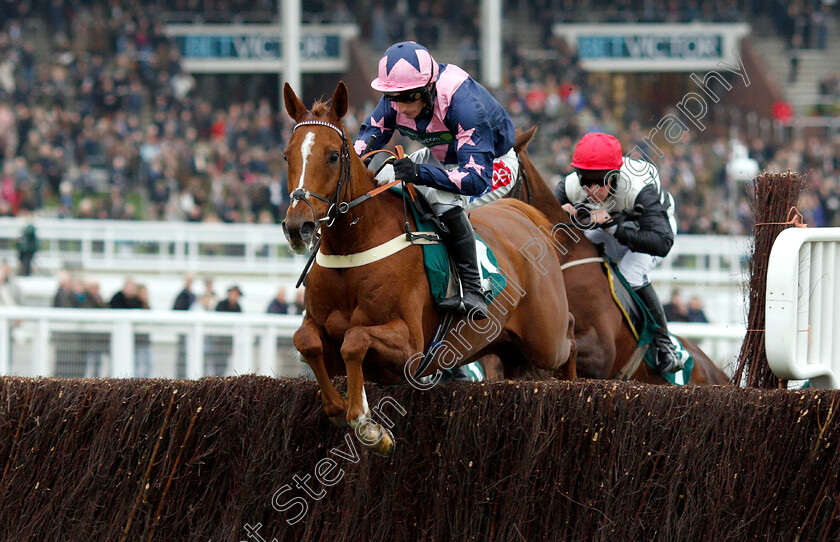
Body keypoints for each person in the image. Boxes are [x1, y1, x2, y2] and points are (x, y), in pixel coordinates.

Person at [354, 41, 519, 320]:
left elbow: (474, 179)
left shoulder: (464, 105)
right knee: (381, 178)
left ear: (427, 89)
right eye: (392, 97)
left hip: (492, 166)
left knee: (442, 199)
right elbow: (368, 139)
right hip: (443, 157)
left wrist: (419, 174)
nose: (399, 107)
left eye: (406, 98)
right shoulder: (398, 96)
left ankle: (473, 288)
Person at [555, 132, 681, 375]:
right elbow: (545, 222)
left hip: (648, 230)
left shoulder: (638, 187)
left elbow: (662, 241)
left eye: (599, 181)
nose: (591, 190)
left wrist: (614, 227)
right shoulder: (570, 185)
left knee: (630, 273)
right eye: (585, 181)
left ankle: (664, 343)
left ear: (614, 176)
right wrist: (560, 215)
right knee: (582, 258)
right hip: (609, 225)